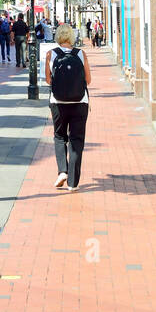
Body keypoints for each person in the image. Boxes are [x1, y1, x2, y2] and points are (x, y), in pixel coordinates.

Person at [45, 23, 92, 192]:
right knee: (76, 140)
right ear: (72, 37)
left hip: (58, 103)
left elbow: (48, 81)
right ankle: (73, 183)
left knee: (59, 136)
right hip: (80, 102)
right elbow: (88, 80)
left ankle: (62, 171)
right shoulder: (81, 54)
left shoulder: (51, 54)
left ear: (58, 37)